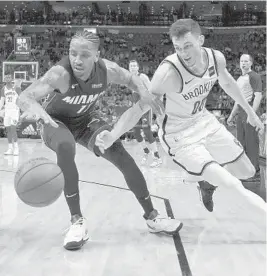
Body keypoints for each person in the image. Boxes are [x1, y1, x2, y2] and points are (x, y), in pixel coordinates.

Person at [17, 30, 182, 251]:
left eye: (84, 54)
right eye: (73, 53)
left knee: (120, 154)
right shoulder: (60, 74)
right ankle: (77, 222)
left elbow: (132, 79)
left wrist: (144, 93)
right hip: (54, 121)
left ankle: (152, 216)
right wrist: (36, 109)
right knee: (66, 146)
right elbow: (24, 97)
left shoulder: (107, 71)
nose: (77, 59)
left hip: (85, 120)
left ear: (97, 56)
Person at [95, 19, 266, 213]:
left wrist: (251, 112)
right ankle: (206, 176)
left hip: (204, 120)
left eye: (188, 46)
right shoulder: (167, 74)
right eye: (178, 48)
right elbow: (139, 108)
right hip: (179, 133)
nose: (184, 53)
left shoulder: (215, 58)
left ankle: (206, 182)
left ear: (200, 40)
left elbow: (227, 83)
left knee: (247, 171)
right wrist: (113, 134)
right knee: (230, 182)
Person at [227, 54, 262, 179]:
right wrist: (231, 115)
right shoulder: (240, 78)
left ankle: (255, 172)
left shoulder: (254, 76)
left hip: (250, 111)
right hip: (241, 113)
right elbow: (238, 99)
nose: (244, 63)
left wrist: (252, 115)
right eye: (242, 61)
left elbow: (258, 96)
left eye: (246, 61)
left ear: (251, 63)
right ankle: (245, 171)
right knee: (241, 143)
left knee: (251, 143)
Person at [128, 60, 162, 167]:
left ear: (138, 67)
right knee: (136, 133)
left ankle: (157, 157)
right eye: (131, 66)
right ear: (129, 68)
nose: (133, 67)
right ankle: (146, 152)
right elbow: (134, 95)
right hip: (136, 107)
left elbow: (151, 89)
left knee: (147, 131)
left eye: (134, 65)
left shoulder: (142, 77)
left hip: (146, 106)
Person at [0, 75, 21, 155]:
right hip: (7, 111)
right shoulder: (3, 89)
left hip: (14, 111)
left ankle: (16, 148)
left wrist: (20, 110)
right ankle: (10, 148)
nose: (7, 78)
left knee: (13, 129)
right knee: (8, 130)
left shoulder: (17, 88)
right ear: (4, 79)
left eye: (9, 77)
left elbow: (21, 98)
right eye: (6, 77)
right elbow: (2, 101)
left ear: (11, 79)